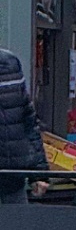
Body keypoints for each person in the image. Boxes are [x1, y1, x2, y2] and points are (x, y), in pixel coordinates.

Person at [0, 48, 47, 203]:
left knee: (17, 217)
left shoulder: (9, 64)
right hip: (13, 175)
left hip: (12, 178)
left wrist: (38, 173)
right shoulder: (9, 64)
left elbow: (29, 123)